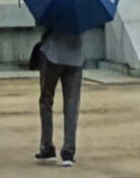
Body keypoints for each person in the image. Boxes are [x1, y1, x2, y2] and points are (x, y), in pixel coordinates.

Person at [31, 20, 99, 166]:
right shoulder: (82, 8)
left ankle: (47, 146)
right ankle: (68, 150)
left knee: (46, 100)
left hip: (52, 54)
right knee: (72, 104)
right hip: (75, 57)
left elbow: (41, 26)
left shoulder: (53, 5)